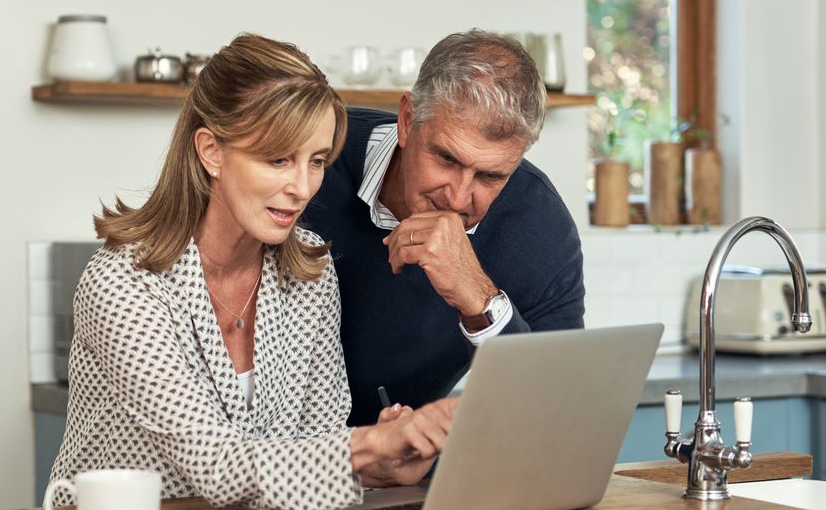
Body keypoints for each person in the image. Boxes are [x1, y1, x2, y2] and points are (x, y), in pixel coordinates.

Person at [49, 34, 460, 510]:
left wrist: (377, 468)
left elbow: (314, 444)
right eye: (278, 158)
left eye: (317, 161)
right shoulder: (123, 284)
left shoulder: (310, 274)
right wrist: (371, 445)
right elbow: (217, 467)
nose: (303, 187)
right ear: (211, 151)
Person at [303, 29, 586, 427]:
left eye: (490, 176)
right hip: (272, 460)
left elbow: (557, 412)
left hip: (403, 470)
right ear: (406, 120)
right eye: (446, 159)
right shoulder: (313, 159)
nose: (457, 198)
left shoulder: (540, 228)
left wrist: (479, 300)